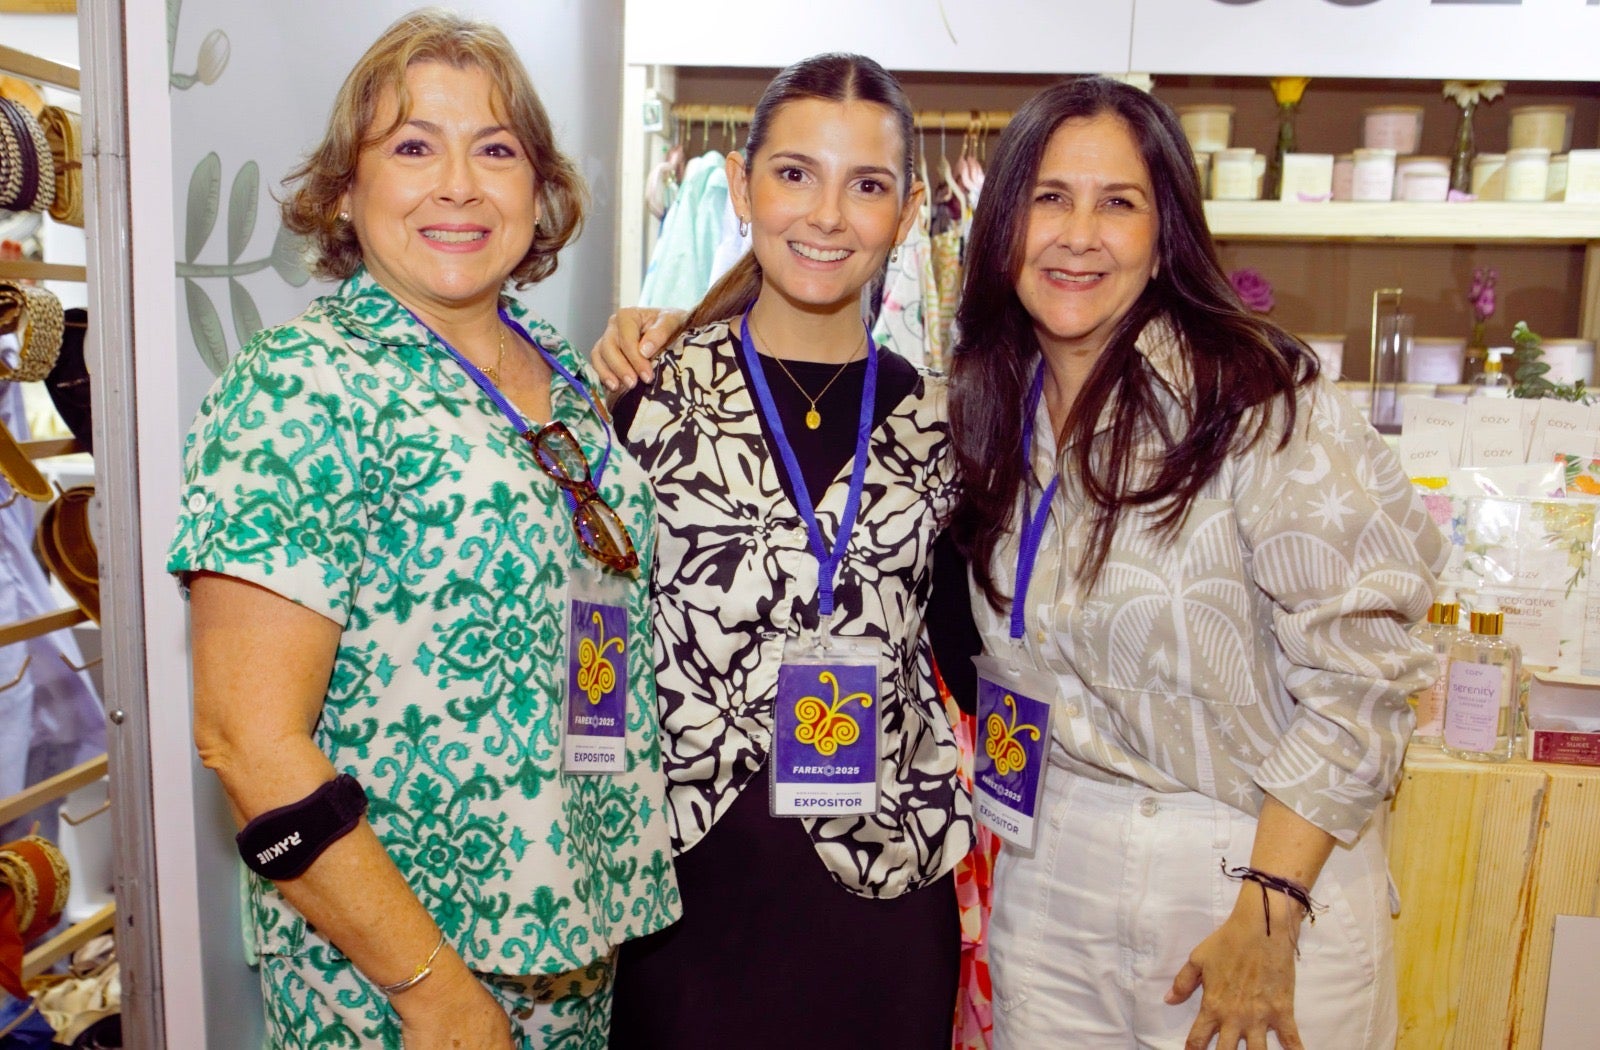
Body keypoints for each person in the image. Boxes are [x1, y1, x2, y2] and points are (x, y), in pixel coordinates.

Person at [164, 11, 678, 1048]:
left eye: (495, 149)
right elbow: (247, 739)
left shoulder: (565, 385)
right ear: (346, 191)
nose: (458, 183)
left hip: (571, 948)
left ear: (539, 192)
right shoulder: (303, 385)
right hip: (397, 981)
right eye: (412, 146)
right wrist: (433, 992)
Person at [947, 77, 1447, 1050]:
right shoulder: (985, 413)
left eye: (1117, 203)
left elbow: (1365, 672)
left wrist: (1267, 912)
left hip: (1251, 865)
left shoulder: (1258, 401)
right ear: (1004, 222)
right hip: (1052, 871)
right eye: (1049, 197)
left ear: (1165, 229)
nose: (1078, 234)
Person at [592, 53, 974, 1049]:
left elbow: (976, 654)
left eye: (868, 185)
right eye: (795, 173)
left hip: (880, 902)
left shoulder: (946, 426)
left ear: (908, 209)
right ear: (738, 185)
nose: (826, 215)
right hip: (680, 904)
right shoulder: (640, 395)